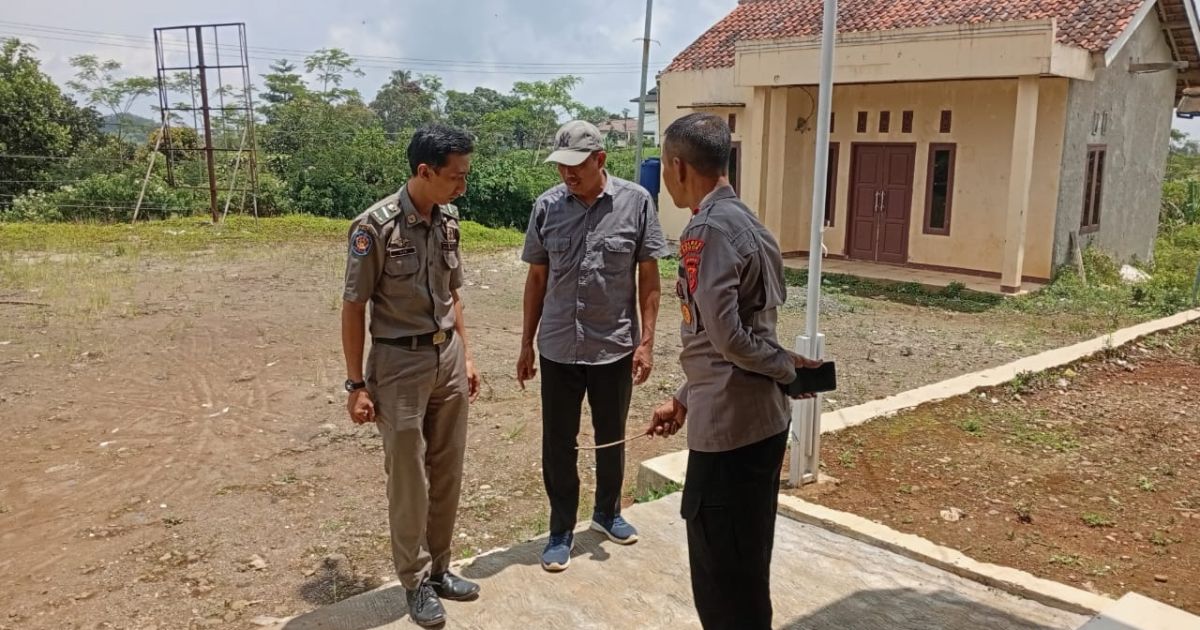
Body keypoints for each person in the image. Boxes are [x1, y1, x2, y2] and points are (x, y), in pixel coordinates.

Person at [648, 112, 822, 630]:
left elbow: (725, 337)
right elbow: (730, 335)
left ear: (678, 166)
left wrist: (786, 368)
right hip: (760, 422)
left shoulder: (706, 229)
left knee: (724, 580)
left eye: (663, 165)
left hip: (728, 432)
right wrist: (683, 396)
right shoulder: (751, 224)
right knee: (747, 566)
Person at [341, 124, 483, 628]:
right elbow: (354, 306)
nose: (462, 185)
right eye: (455, 176)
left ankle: (441, 570)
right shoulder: (374, 227)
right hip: (398, 365)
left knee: (447, 470)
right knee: (409, 479)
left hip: (446, 358)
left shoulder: (450, 220)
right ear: (424, 171)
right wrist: (357, 385)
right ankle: (415, 581)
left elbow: (453, 293)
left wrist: (465, 357)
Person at [517, 120, 669, 572]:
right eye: (561, 167)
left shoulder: (636, 203)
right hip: (559, 346)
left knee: (611, 436)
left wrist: (647, 342)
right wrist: (526, 343)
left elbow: (649, 277)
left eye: (576, 166)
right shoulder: (547, 206)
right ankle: (561, 529)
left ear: (600, 160)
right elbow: (537, 278)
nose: (567, 175)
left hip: (614, 346)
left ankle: (607, 513)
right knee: (558, 442)